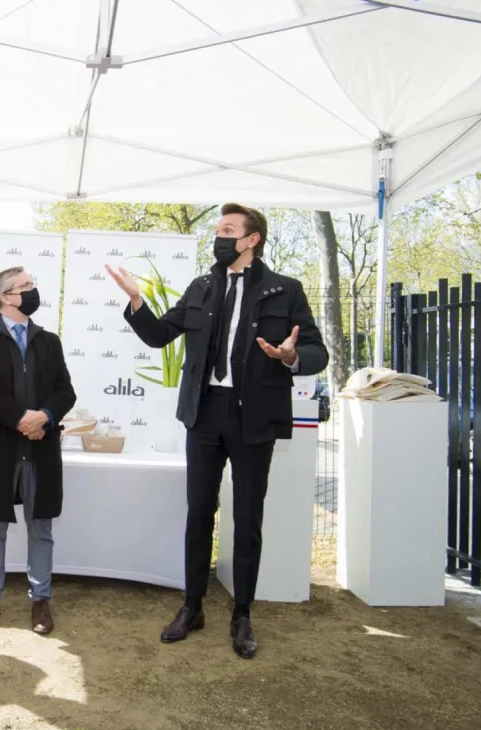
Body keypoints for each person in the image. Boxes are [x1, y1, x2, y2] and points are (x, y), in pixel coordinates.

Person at [107, 203, 328, 659]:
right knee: (197, 514)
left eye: (228, 230)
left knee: (247, 518)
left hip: (255, 418)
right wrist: (135, 301)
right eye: (218, 230)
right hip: (205, 413)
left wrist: (289, 356)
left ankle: (241, 614)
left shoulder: (285, 290)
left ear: (252, 240)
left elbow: (316, 352)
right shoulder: (202, 286)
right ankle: (192, 606)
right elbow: (159, 335)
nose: (219, 237)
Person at [0, 267, 76, 635]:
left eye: (32, 284)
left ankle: (40, 599)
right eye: (25, 286)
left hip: (39, 448)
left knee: (41, 526)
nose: (33, 290)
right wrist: (19, 417)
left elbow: (65, 391)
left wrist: (43, 416)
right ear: (5, 297)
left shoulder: (48, 340)